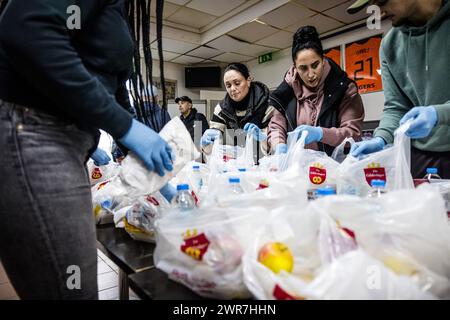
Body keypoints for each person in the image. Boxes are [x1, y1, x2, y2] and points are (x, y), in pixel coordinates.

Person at [0, 0, 172, 299]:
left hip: (61, 140)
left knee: (77, 284)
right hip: (33, 133)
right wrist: (126, 128)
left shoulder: (116, 10)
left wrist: (138, 150)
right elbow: (27, 25)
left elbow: (115, 86)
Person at [348, 0, 450, 179]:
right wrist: (381, 138)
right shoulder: (389, 45)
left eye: (382, 2)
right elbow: (396, 106)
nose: (379, 14)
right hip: (420, 156)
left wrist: (438, 114)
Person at [268, 26, 365, 156]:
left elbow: (353, 134)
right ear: (295, 67)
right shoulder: (286, 92)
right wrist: (279, 145)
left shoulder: (344, 90)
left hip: (333, 167)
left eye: (315, 65)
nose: (311, 74)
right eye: (303, 68)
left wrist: (321, 134)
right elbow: (276, 126)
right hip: (298, 167)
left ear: (323, 60)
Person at [201, 62, 274, 158]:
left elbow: (274, 147)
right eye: (228, 85)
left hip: (262, 165)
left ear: (248, 81)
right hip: (235, 165)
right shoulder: (221, 109)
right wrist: (206, 145)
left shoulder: (267, 106)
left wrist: (264, 140)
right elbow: (211, 151)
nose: (233, 89)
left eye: (237, 83)